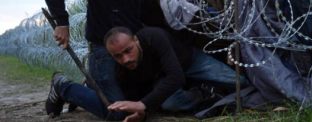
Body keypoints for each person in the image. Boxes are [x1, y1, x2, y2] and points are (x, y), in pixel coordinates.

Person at [46, 26, 245, 120]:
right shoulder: (122, 69)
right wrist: (142, 111)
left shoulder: (153, 37)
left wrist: (143, 105)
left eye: (128, 51)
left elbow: (176, 76)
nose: (125, 59)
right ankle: (64, 86)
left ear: (137, 40)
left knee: (240, 82)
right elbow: (137, 99)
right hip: (163, 80)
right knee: (117, 113)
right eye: (117, 56)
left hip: (188, 63)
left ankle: (203, 90)